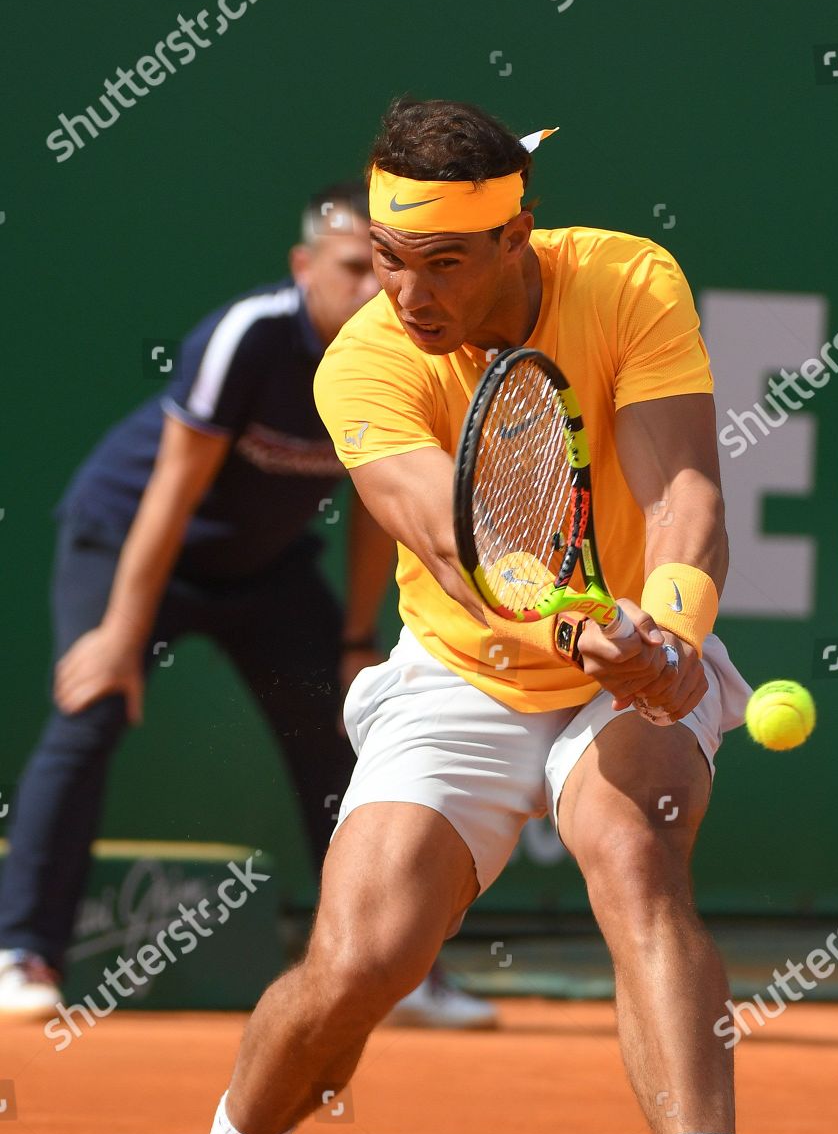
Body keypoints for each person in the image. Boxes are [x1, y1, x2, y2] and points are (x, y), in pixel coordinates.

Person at [136, 99, 760, 1134]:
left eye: (441, 261)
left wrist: (671, 633)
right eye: (382, 257)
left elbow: (684, 485)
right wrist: (563, 614)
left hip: (636, 654)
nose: (405, 292)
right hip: (464, 672)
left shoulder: (628, 278)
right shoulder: (361, 359)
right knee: (362, 956)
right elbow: (448, 529)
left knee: (632, 855)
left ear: (516, 233)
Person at [0, 181, 495, 1032]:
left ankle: (396, 967)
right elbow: (170, 490)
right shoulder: (251, 336)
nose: (375, 289)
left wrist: (354, 641)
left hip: (266, 572)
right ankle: (20, 951)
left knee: (346, 738)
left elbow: (387, 510)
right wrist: (122, 636)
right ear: (304, 266)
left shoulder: (404, 355)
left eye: (385, 268)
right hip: (132, 544)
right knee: (89, 709)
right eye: (352, 268)